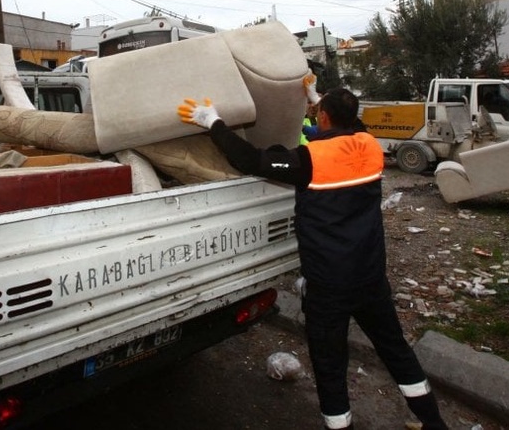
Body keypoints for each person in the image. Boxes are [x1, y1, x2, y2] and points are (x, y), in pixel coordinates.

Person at [178, 78, 448, 430]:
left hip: (329, 285)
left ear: (323, 119)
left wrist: (212, 121)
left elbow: (251, 160)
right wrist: (317, 99)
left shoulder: (309, 159)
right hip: (370, 279)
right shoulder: (370, 146)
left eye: (320, 114)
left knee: (329, 364)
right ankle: (434, 423)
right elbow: (348, 127)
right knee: (395, 349)